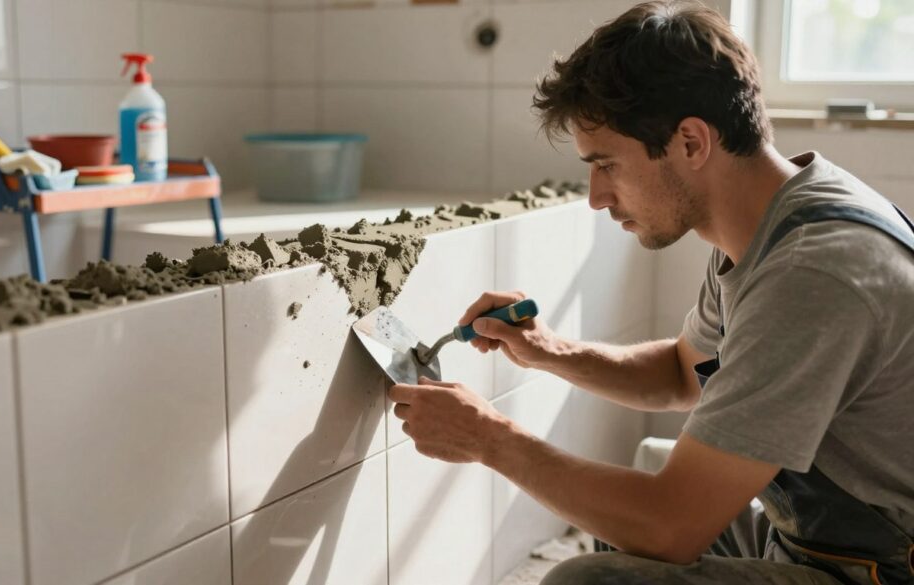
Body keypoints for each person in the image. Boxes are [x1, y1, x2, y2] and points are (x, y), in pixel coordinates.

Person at [387, 1, 914, 583]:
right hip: (831, 537)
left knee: (591, 577)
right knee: (628, 500)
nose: (596, 197)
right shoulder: (769, 223)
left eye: (607, 165)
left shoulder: (813, 273)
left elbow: (670, 528)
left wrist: (490, 438)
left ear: (690, 142)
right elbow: (682, 373)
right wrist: (549, 350)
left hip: (885, 567)